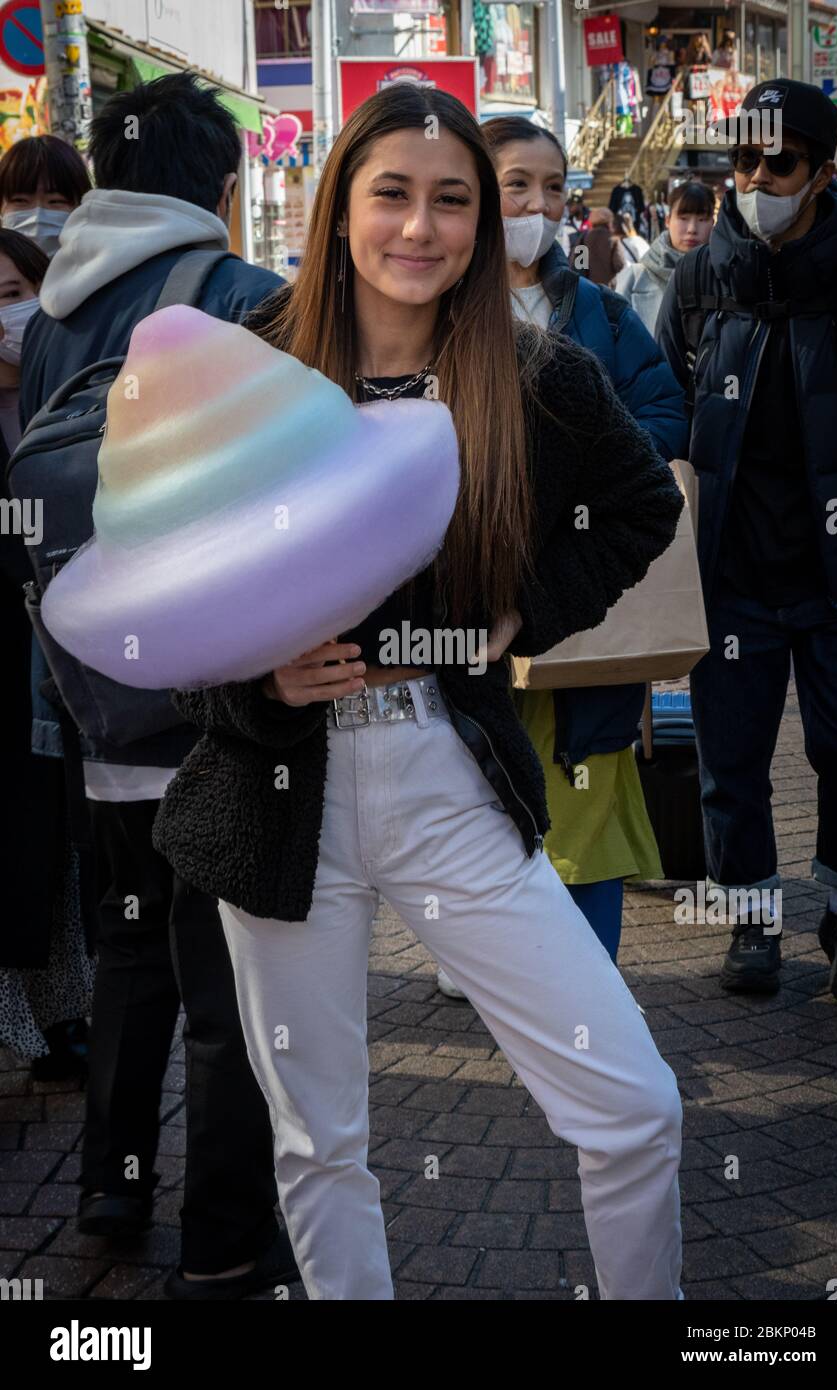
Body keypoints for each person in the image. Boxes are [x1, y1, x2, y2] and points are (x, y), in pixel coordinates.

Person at [153, 83, 686, 1302]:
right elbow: (166, 617)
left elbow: (640, 506)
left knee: (633, 1106)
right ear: (338, 202)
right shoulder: (245, 376)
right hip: (278, 799)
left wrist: (516, 617)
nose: (420, 227)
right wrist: (260, 672)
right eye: (389, 192)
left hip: (448, 779)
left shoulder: (530, 376)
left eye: (454, 200)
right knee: (317, 1139)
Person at [20, 73, 296, 1299]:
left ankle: (109, 1187)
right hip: (219, 710)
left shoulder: (51, 313)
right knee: (230, 984)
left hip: (90, 701)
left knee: (132, 957)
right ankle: (228, 1237)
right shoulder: (245, 296)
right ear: (224, 188)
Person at [656, 79, 837, 1007]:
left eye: (777, 163)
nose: (754, 179)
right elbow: (661, 411)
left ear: (823, 172)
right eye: (741, 160)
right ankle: (749, 916)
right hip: (731, 572)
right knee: (730, 758)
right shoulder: (700, 280)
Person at [480, 113, 686, 969]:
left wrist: (576, 469)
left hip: (589, 613)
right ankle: (499, 970)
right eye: (515, 186)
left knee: (590, 803)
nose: (538, 204)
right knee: (484, 803)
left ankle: (592, 983)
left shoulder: (601, 310)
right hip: (478, 614)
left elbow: (667, 413)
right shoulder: (430, 311)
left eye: (554, 187)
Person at [0, 229, 94, 1080]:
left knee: (54, 856)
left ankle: (64, 1016)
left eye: (12, 294)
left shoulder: (62, 407)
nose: (4, 316)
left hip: (57, 670)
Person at [616, 181, 715, 334]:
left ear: (712, 223)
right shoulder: (635, 277)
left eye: (702, 220)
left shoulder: (723, 276)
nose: (692, 229)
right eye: (683, 218)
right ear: (668, 220)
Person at [0, 134, 91, 257]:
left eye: (55, 201)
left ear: (80, 205)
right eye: (20, 200)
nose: (37, 217)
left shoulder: (103, 272)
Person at [581, 205, 626, 285]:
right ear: (609, 222)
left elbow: (578, 264)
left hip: (588, 286)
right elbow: (620, 264)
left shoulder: (584, 238)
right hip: (607, 288)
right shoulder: (613, 239)